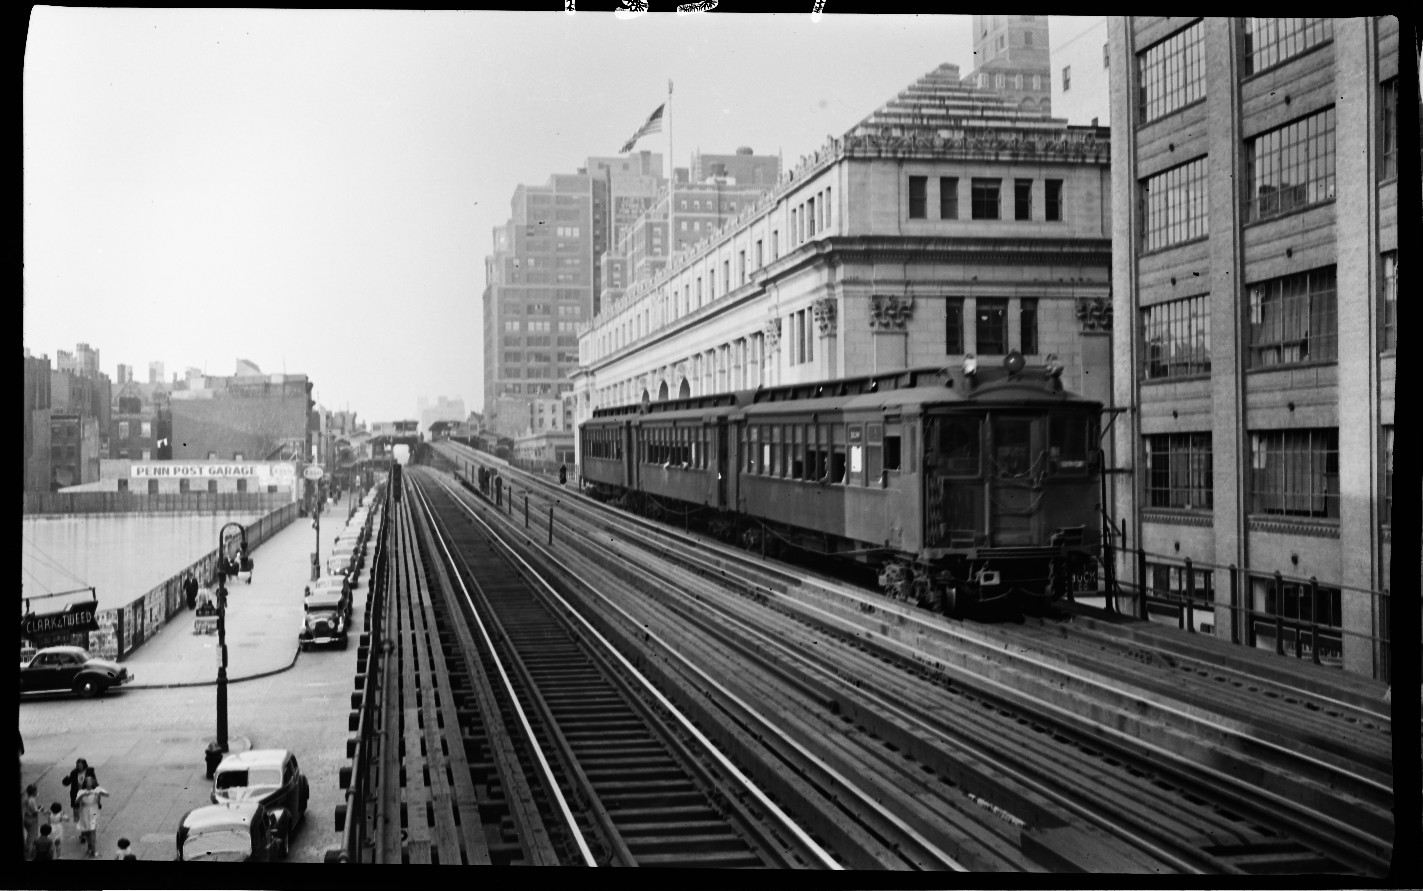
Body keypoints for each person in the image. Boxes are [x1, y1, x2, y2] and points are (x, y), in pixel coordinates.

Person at [74, 775, 109, 857]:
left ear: (93, 782)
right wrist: (83, 795)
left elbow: (107, 794)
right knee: (86, 831)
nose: (88, 783)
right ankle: (90, 847)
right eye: (87, 782)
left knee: (92, 830)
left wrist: (100, 793)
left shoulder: (97, 789)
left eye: (90, 781)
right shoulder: (81, 792)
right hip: (84, 811)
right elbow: (77, 801)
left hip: (93, 811)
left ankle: (94, 850)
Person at [22, 784, 40, 859]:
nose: (37, 792)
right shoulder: (32, 800)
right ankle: (29, 854)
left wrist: (36, 807)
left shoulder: (26, 799)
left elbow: (28, 808)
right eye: (36, 791)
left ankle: (27, 850)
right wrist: (40, 809)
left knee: (29, 835)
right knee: (32, 837)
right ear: (34, 792)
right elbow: (35, 812)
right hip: (32, 819)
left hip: (26, 818)